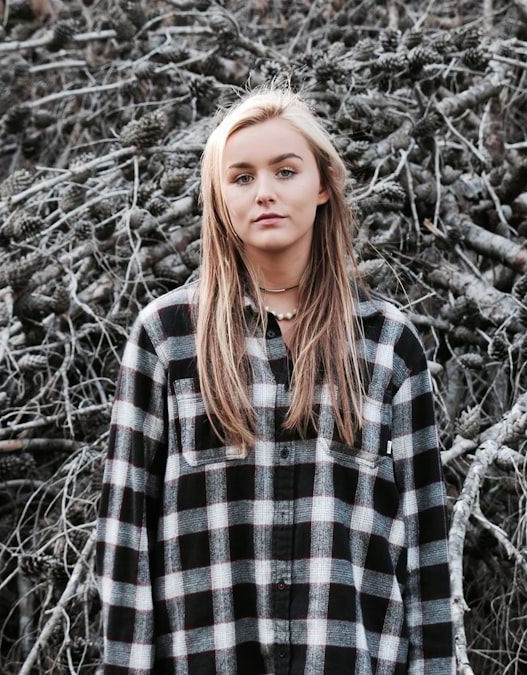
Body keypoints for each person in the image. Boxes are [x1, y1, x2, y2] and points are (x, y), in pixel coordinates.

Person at [95, 86, 454, 674]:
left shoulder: (389, 345)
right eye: (240, 177)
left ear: (322, 185)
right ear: (218, 195)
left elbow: (427, 545)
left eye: (285, 171)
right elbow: (125, 533)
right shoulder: (167, 338)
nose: (264, 192)